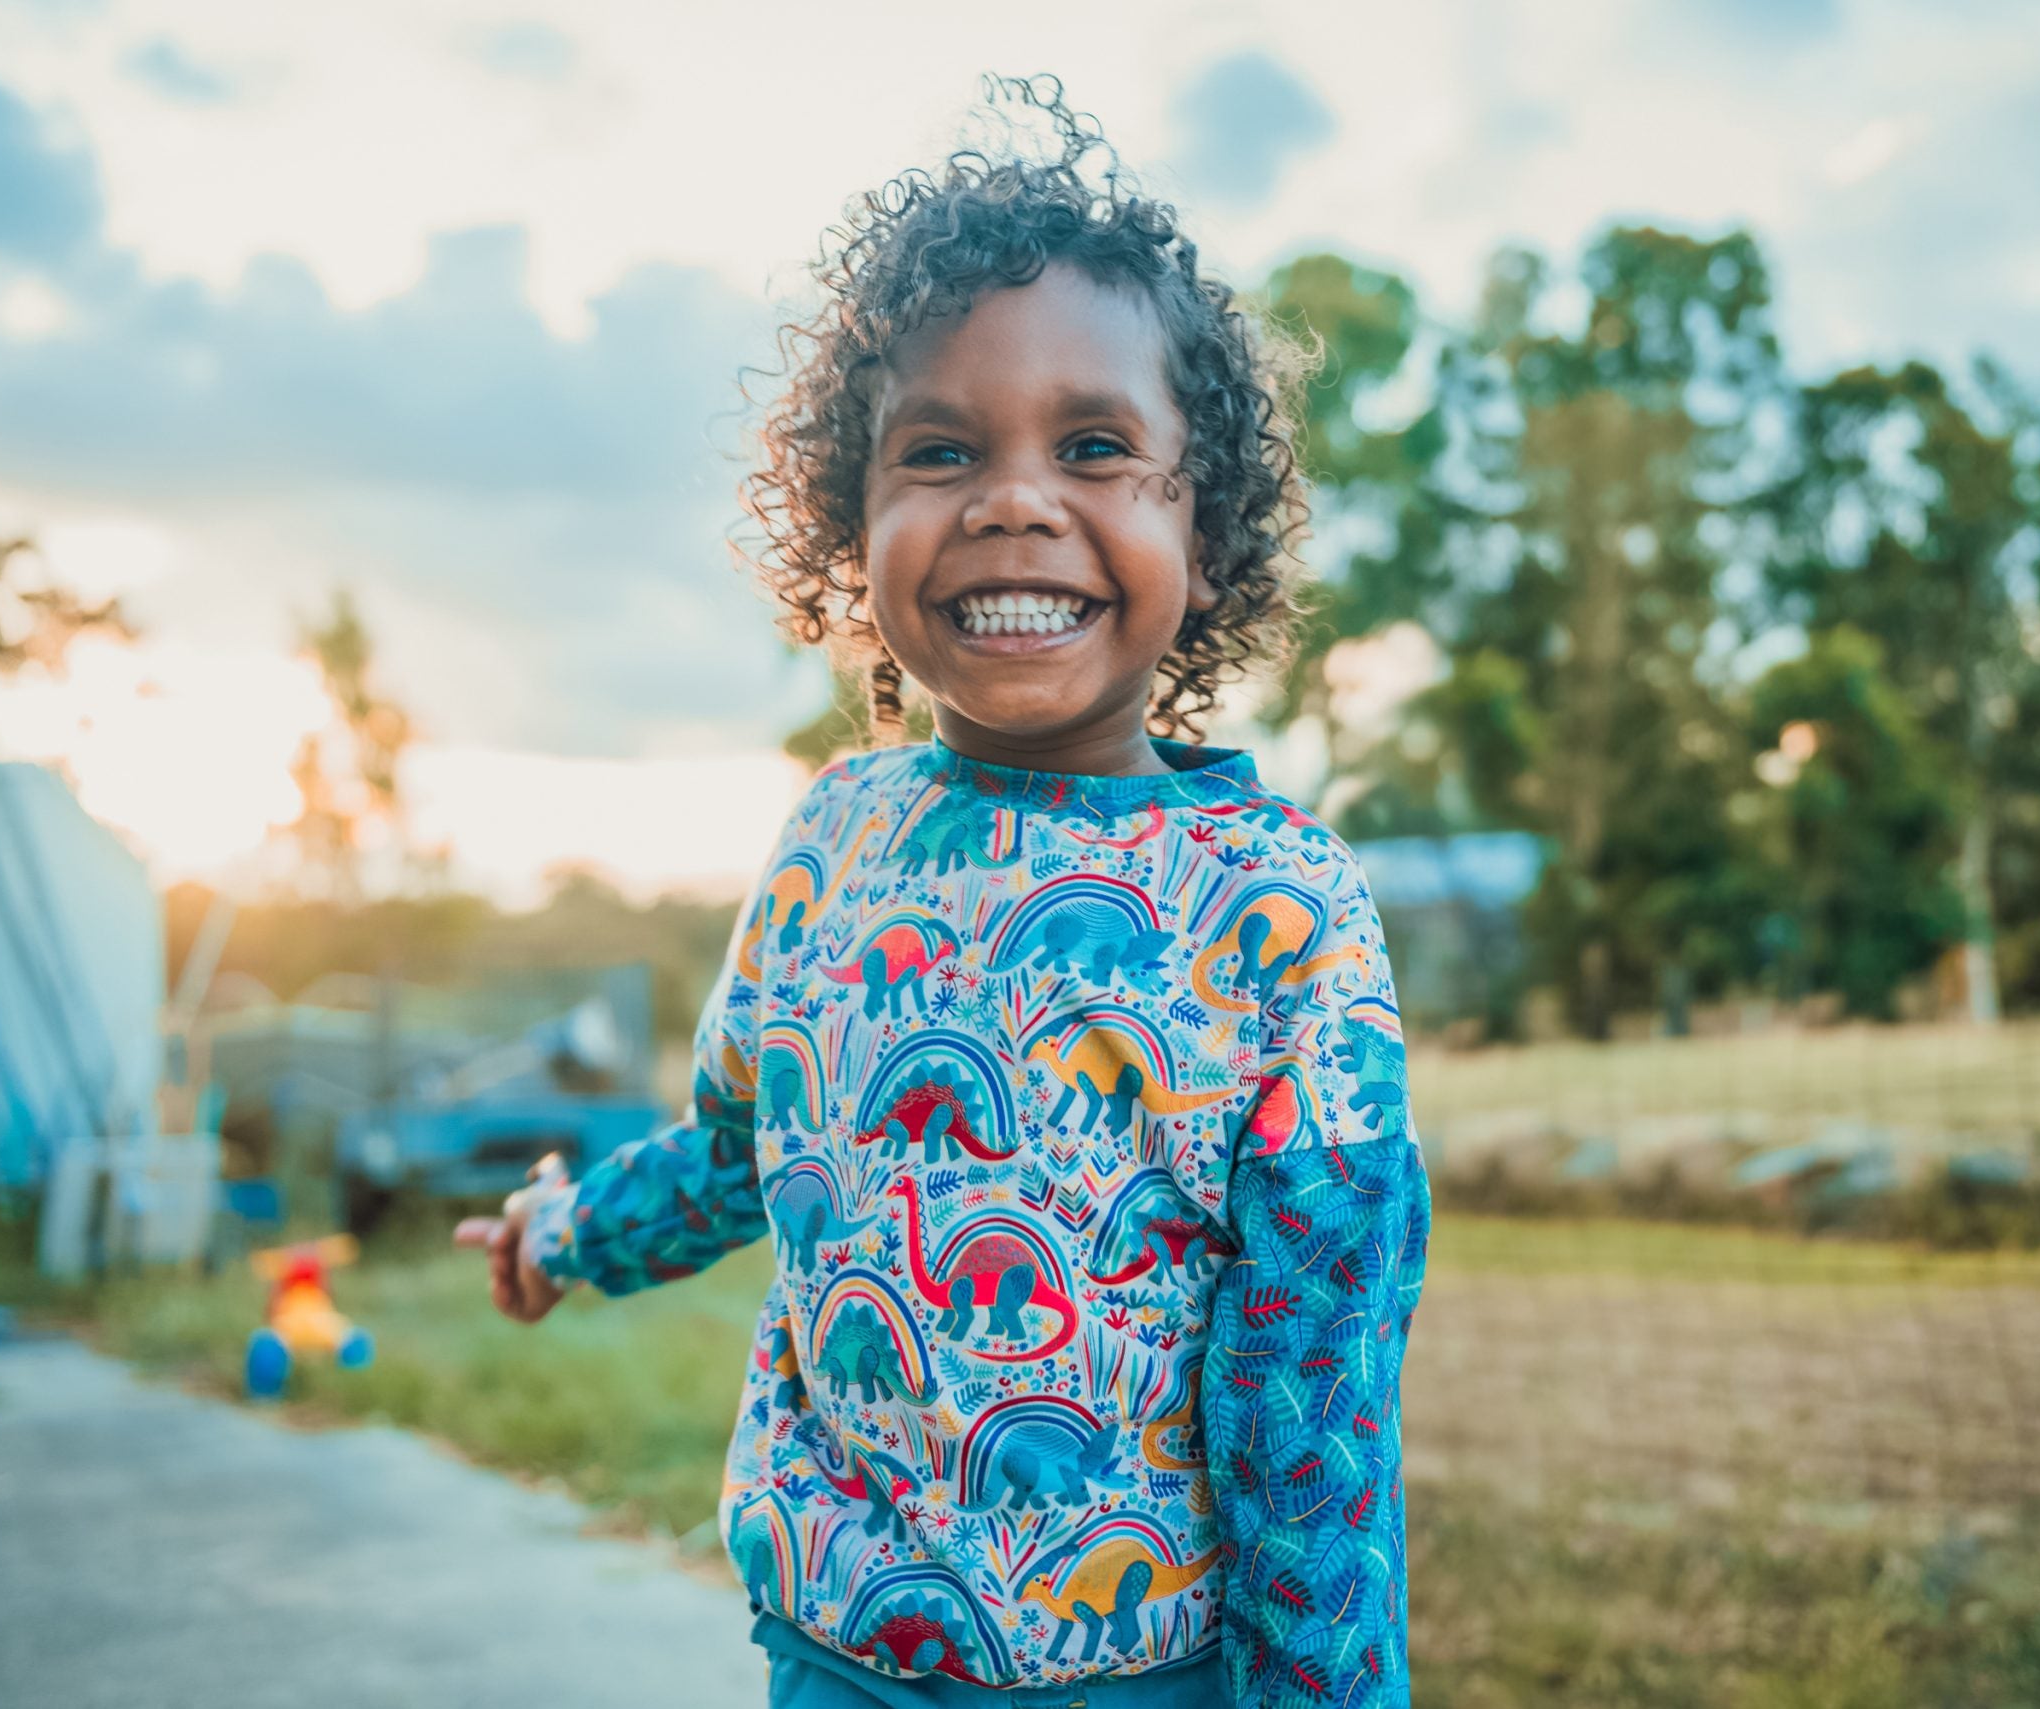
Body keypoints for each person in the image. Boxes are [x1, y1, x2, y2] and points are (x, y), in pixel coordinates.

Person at [464, 75, 1431, 1709]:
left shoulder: (1279, 909)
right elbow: (729, 1147)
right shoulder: (832, 840)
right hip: (831, 1645)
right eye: (940, 449)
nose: (1012, 496)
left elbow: (1313, 1391)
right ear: (858, 523)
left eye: (1099, 446)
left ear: (1203, 524)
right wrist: (566, 1233)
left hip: (1141, 1671)